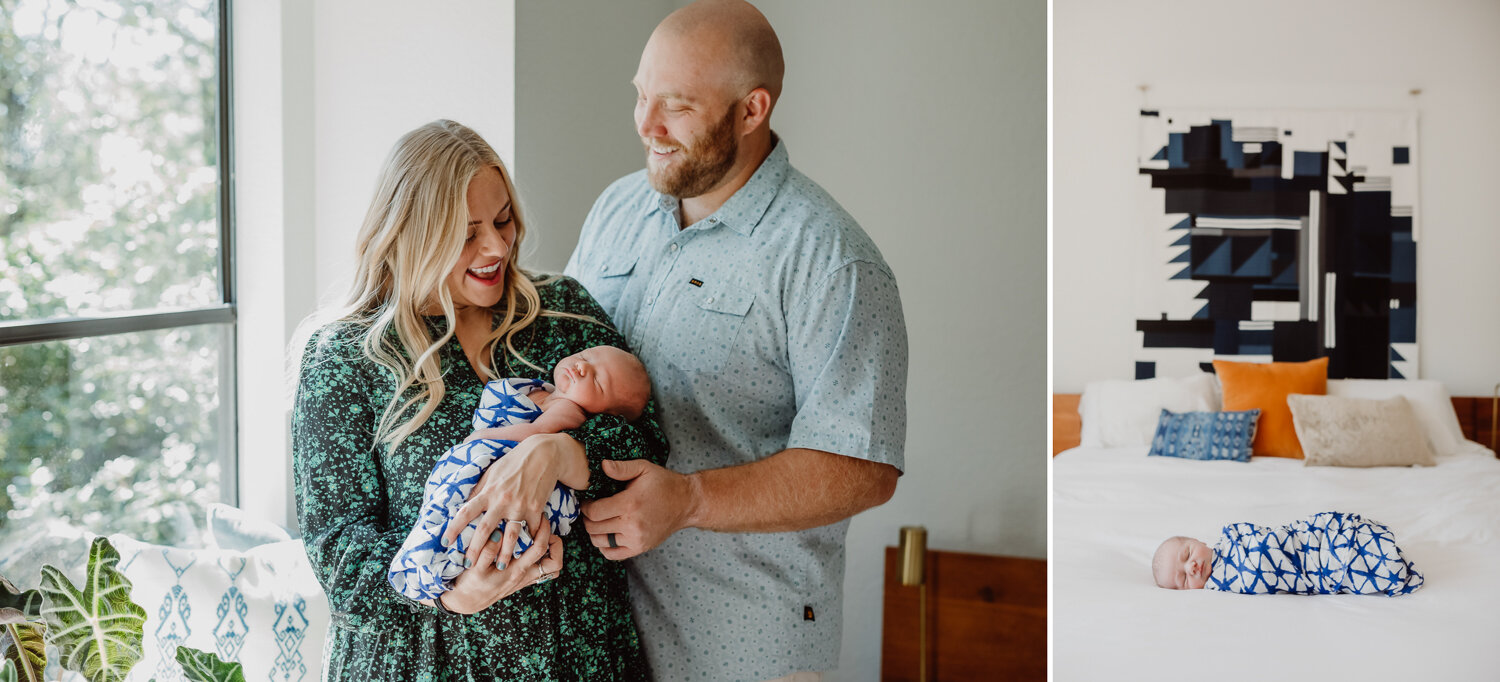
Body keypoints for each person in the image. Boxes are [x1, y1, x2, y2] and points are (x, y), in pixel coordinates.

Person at [563, 1, 908, 678]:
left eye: (677, 105)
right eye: (640, 96)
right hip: (594, 633)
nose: (647, 125)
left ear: (752, 110)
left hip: (742, 646)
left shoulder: (832, 261)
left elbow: (864, 466)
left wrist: (689, 500)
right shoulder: (615, 211)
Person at [292, 120, 667, 681]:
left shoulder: (564, 315)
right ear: (410, 234)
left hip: (581, 659)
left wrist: (561, 453)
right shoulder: (346, 357)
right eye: (467, 233)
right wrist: (449, 597)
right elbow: (336, 543)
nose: (496, 245)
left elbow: (649, 442)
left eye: (503, 219)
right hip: (424, 664)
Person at [389, 346, 653, 601]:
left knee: (469, 521)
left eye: (597, 381)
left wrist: (483, 436)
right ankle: (429, 564)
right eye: (586, 356)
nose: (582, 367)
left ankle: (432, 563)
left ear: (605, 413)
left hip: (507, 468)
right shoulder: (547, 392)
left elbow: (532, 435)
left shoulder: (569, 410)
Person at [1153, 511, 1425, 596]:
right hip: (1307, 567)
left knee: (1334, 534)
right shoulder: (1222, 583)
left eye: (1187, 554)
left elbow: (1273, 536)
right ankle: (1380, 561)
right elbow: (1259, 574)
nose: (1191, 567)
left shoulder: (1231, 536)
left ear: (1198, 540)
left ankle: (1368, 542)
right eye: (1183, 580)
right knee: (1347, 560)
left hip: (1305, 542)